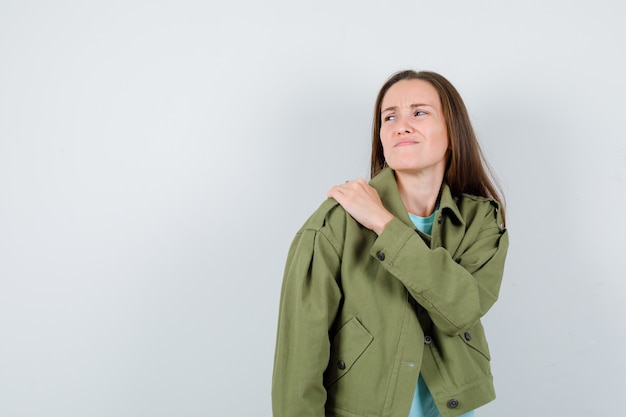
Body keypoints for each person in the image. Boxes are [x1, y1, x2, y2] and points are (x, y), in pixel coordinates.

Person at [272, 70, 509, 417]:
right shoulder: (333, 224)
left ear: (453, 132)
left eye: (420, 112)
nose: (402, 125)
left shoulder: (480, 221)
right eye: (390, 116)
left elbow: (461, 309)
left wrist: (383, 223)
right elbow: (298, 366)